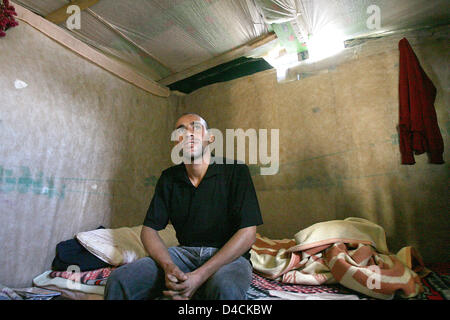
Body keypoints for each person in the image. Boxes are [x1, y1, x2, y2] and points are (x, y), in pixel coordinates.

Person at [104, 113, 263, 300]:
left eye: (196, 128)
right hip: (183, 254)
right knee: (119, 280)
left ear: (210, 138)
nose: (188, 134)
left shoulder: (235, 171)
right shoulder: (169, 178)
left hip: (229, 257)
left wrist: (199, 276)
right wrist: (168, 266)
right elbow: (149, 230)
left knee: (224, 289)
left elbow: (248, 233)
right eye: (180, 130)